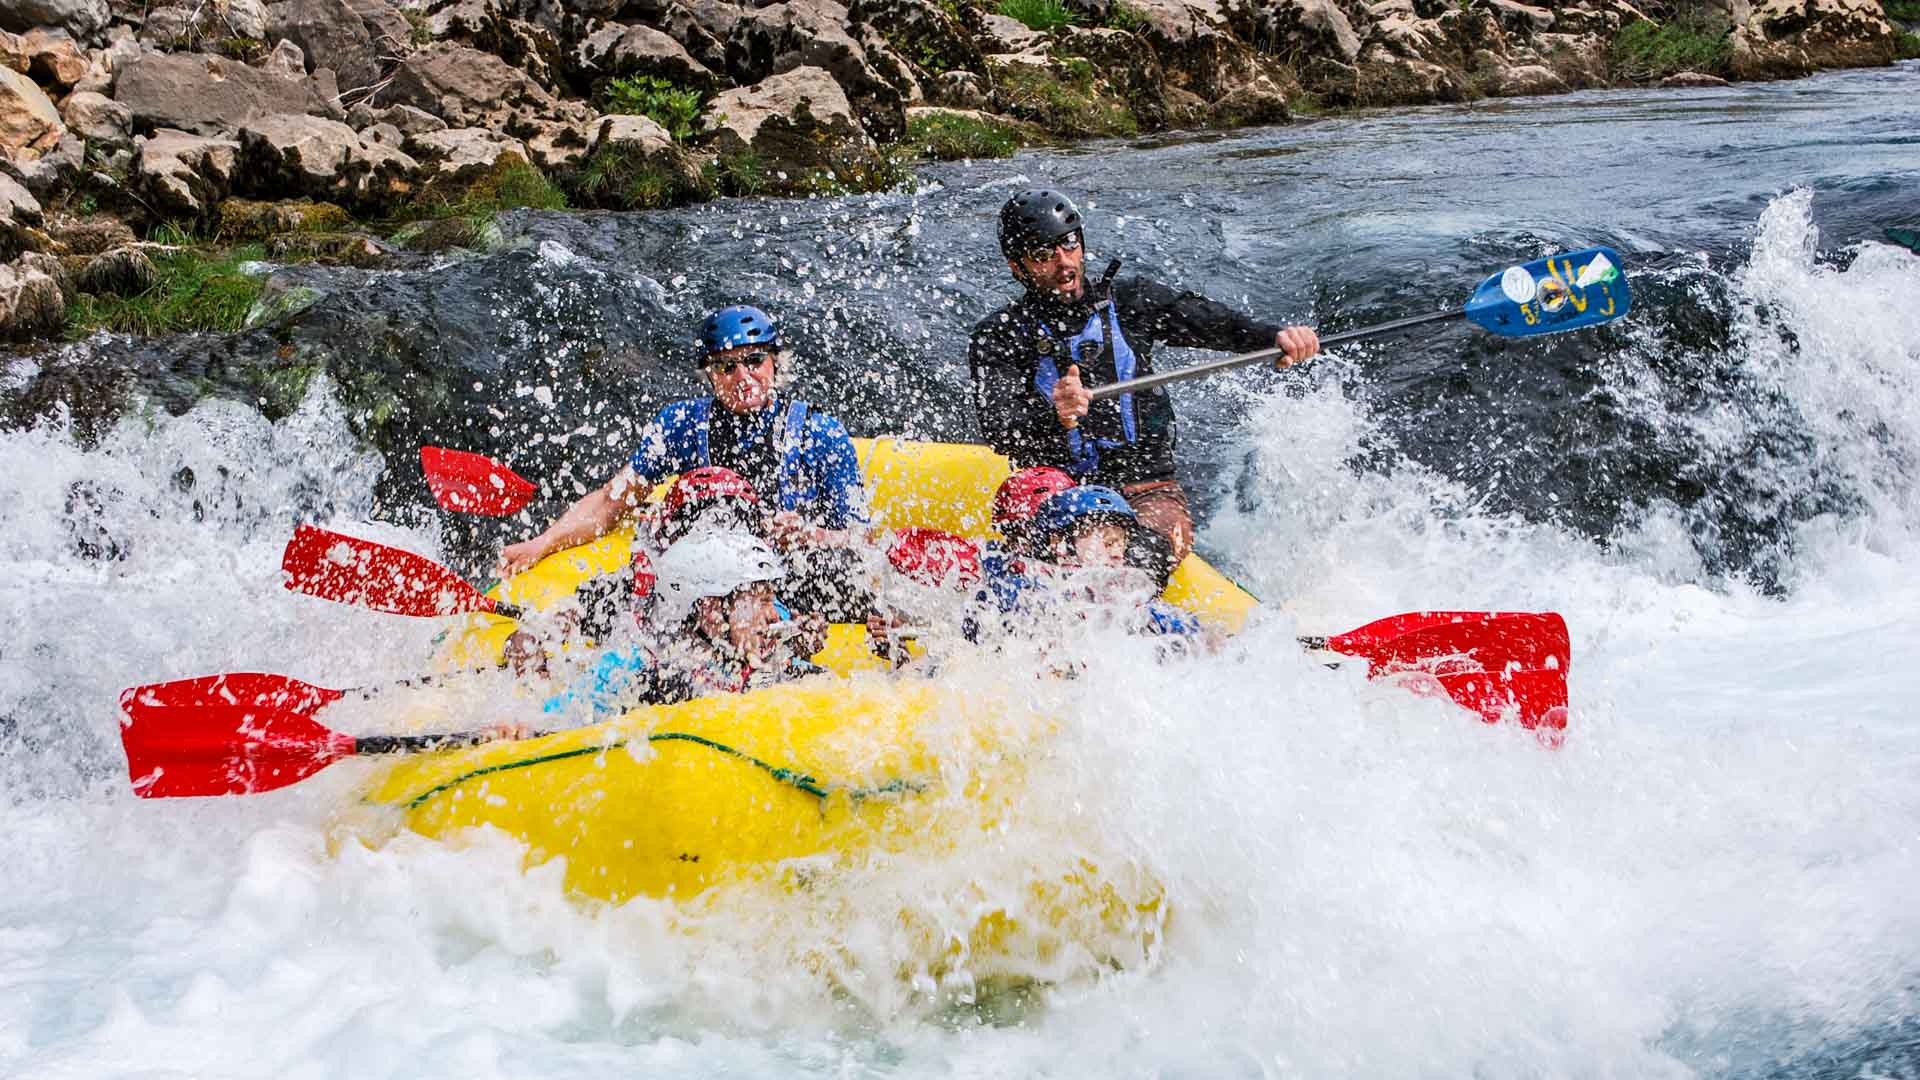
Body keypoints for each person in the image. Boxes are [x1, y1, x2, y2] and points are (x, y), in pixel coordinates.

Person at [968, 188, 1322, 564]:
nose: (1064, 262)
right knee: (1059, 547)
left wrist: (1274, 337)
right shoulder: (998, 335)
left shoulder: (1132, 301)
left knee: (1137, 553)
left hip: (1145, 488)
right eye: (1043, 255)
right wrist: (1057, 415)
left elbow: (1215, 325)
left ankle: (1132, 578)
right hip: (1056, 488)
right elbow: (1000, 428)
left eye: (1069, 244)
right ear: (1016, 267)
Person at [498, 304, 871, 618]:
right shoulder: (682, 425)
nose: (744, 377)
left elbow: (862, 539)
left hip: (788, 573)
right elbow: (613, 500)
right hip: (703, 576)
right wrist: (541, 544)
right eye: (727, 367)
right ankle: (555, 626)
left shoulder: (820, 433)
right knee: (632, 585)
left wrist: (810, 535)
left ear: (775, 362)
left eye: (754, 361)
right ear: (710, 376)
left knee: (843, 572)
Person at [539, 530, 825, 720]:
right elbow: (556, 720)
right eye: (762, 601)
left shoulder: (768, 667)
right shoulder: (641, 668)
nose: (775, 616)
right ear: (712, 609)